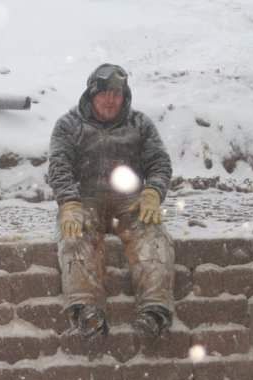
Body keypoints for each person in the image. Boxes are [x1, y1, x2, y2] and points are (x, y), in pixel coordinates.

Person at [47, 63, 175, 341]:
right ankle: (86, 310)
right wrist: (69, 203)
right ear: (92, 94)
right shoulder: (68, 125)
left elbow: (159, 162)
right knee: (74, 235)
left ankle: (154, 310)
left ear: (125, 97)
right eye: (104, 93)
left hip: (129, 201)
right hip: (85, 200)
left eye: (117, 94)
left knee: (152, 233)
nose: (110, 100)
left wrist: (153, 192)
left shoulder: (140, 124)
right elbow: (59, 166)